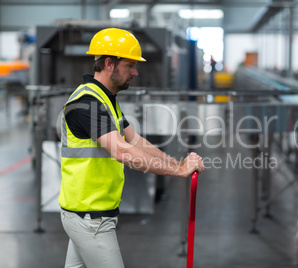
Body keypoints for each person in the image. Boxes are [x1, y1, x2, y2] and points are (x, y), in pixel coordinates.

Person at [59, 28, 205, 268]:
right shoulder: (87, 104)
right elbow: (123, 151)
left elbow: (135, 141)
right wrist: (178, 171)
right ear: (109, 64)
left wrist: (177, 165)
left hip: (86, 213)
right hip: (90, 218)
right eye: (130, 66)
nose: (135, 72)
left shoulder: (105, 100)